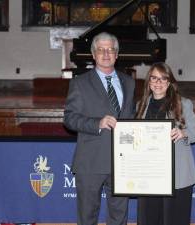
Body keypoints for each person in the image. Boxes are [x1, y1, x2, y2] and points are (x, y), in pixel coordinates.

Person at [63, 32, 135, 225]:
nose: (106, 53)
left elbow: (131, 119)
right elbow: (69, 119)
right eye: (100, 50)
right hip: (91, 160)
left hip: (122, 162)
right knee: (87, 217)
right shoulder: (79, 83)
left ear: (117, 54)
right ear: (93, 54)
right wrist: (97, 123)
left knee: (119, 216)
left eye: (110, 49)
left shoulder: (129, 82)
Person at [136, 62, 195, 225]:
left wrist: (183, 133)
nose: (158, 83)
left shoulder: (183, 103)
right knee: (149, 220)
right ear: (149, 82)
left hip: (177, 175)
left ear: (169, 82)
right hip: (149, 175)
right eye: (154, 78)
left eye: (163, 78)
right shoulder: (141, 105)